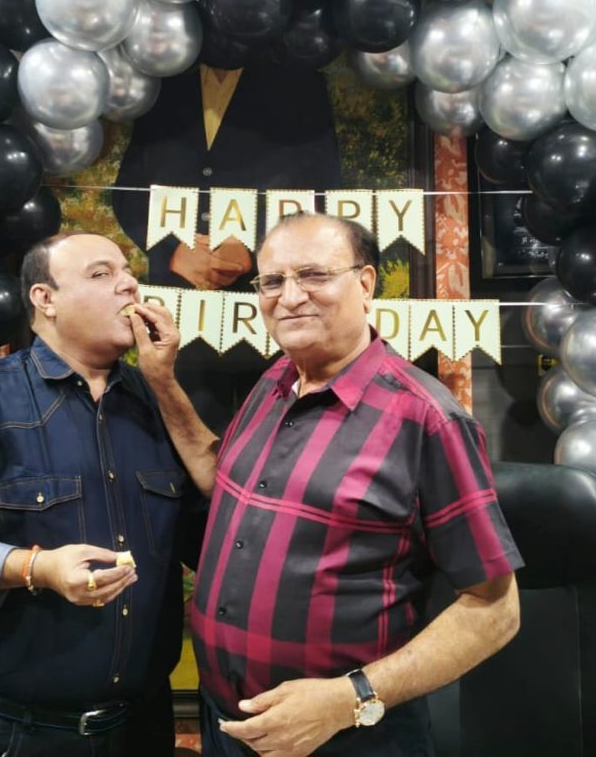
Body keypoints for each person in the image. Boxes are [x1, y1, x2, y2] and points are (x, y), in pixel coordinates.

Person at [132, 213, 523, 757]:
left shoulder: (427, 418)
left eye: (313, 275)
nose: (290, 297)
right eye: (272, 281)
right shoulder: (275, 382)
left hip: (349, 738)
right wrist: (161, 381)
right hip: (227, 727)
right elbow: (221, 478)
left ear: (365, 284)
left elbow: (495, 611)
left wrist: (348, 699)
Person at [0, 231, 212, 757]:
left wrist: (166, 385)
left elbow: (212, 541)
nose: (128, 285)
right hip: (17, 729)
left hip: (143, 722)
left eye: (128, 273)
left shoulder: (158, 404)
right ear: (45, 299)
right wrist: (36, 568)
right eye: (102, 274)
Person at [112, 58, 342, 435]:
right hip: (181, 313)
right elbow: (129, 193)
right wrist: (173, 252)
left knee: (277, 437)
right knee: (181, 438)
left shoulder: (299, 84)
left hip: (269, 310)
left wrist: (256, 251)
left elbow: (323, 190)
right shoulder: (164, 81)